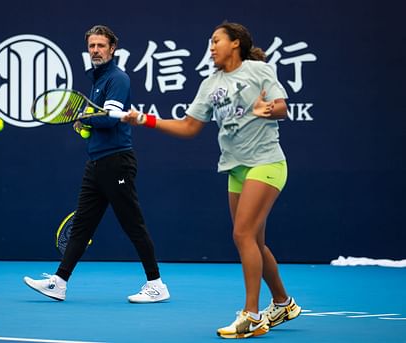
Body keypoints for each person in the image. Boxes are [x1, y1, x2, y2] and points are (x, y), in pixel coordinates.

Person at [122, 22, 300, 338]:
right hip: (235, 168)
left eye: (217, 41)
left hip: (267, 162)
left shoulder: (259, 70)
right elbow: (190, 127)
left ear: (235, 44)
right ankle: (283, 303)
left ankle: (251, 315)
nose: (211, 46)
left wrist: (265, 109)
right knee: (254, 241)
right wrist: (146, 120)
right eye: (210, 41)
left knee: (242, 234)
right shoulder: (210, 83)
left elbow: (283, 108)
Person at [23, 25, 170, 304]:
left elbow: (111, 117)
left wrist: (84, 117)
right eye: (92, 46)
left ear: (112, 49)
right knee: (82, 225)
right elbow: (99, 118)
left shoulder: (118, 78)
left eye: (101, 46)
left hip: (117, 163)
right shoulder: (98, 80)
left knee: (132, 224)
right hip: (97, 164)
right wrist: (85, 122)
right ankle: (60, 282)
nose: (96, 51)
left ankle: (156, 284)